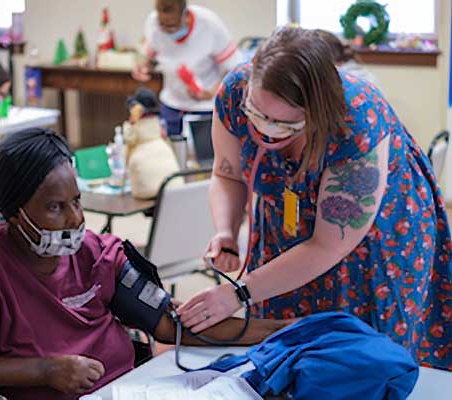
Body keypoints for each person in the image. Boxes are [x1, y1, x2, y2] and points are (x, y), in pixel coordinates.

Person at [0, 128, 289, 399]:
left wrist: (283, 330)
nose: (76, 219)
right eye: (55, 207)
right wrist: (45, 371)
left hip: (129, 389)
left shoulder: (95, 253)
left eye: (76, 201)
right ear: (15, 213)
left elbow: (169, 325)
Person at [177, 27, 452, 370]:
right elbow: (227, 174)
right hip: (286, 226)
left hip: (372, 241)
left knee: (358, 358)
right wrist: (226, 232)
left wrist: (239, 294)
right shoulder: (234, 92)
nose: (264, 130)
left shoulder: (357, 124)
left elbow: (327, 245)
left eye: (282, 123)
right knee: (283, 348)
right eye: (256, 114)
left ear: (315, 111)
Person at [133, 0, 242, 136]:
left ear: (185, 15)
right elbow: (151, 58)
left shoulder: (210, 25)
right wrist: (144, 68)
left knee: (203, 156)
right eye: (163, 25)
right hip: (171, 105)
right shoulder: (153, 24)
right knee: (171, 153)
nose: (167, 30)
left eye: (172, 26)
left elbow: (232, 70)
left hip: (205, 109)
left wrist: (210, 93)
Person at [123, 87, 181, 199]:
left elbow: (129, 138)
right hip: (174, 188)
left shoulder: (135, 128)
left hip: (147, 192)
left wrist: (131, 122)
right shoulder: (158, 126)